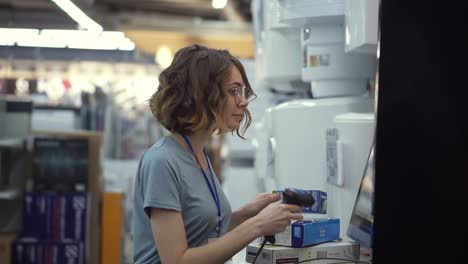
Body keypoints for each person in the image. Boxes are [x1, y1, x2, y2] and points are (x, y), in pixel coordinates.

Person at [133, 44, 303, 264]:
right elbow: (177, 261)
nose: (243, 101)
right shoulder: (162, 162)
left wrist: (246, 214)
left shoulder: (197, 153)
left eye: (242, 92)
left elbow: (200, 231)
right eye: (233, 92)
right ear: (201, 94)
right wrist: (258, 225)